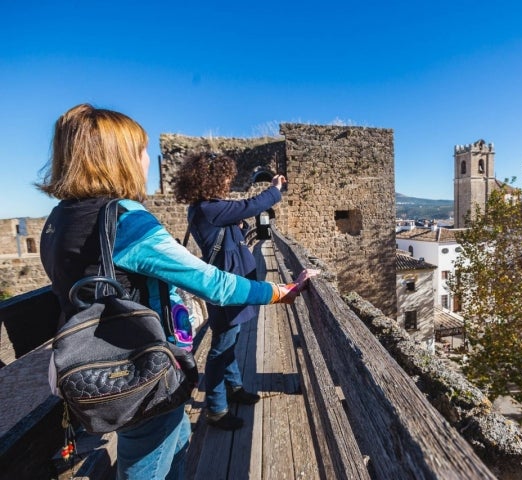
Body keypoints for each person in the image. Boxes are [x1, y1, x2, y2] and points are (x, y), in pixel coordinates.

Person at [37, 104, 317, 480]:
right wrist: (280, 291)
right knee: (147, 465)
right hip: (140, 367)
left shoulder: (59, 219)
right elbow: (213, 283)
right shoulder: (126, 221)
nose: (145, 161)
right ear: (117, 158)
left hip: (97, 362)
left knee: (178, 443)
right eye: (140, 151)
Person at [173, 153, 284, 430]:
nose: (227, 181)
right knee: (221, 348)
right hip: (226, 287)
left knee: (229, 340)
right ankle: (216, 409)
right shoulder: (208, 209)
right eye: (223, 177)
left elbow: (233, 228)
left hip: (231, 284)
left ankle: (233, 388)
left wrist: (239, 226)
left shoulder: (208, 209)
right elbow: (250, 205)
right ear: (210, 180)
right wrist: (274, 189)